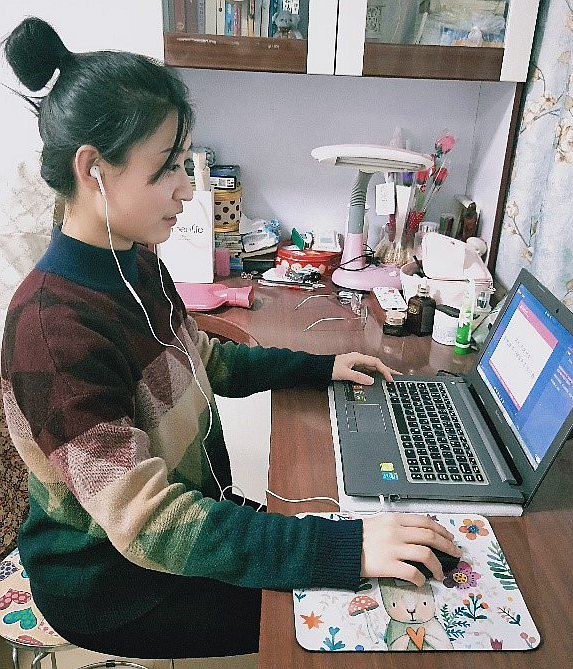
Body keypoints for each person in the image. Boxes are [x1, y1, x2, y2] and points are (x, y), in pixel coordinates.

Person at [0, 17, 461, 659]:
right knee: (368, 615)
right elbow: (151, 522)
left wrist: (318, 367)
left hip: (186, 519)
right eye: (167, 168)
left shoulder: (133, 260)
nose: (187, 188)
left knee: (370, 550)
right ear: (93, 169)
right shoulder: (53, 331)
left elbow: (205, 358)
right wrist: (344, 548)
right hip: (113, 582)